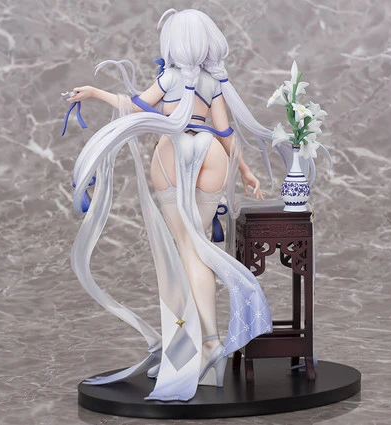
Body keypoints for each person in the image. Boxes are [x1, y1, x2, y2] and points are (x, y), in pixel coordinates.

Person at [63, 8, 278, 402]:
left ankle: (205, 344)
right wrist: (246, 171)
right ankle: (191, 348)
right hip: (212, 153)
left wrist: (94, 93)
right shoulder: (213, 82)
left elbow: (133, 106)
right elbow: (225, 132)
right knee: (199, 248)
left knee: (185, 252)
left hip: (172, 153)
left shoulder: (170, 78)